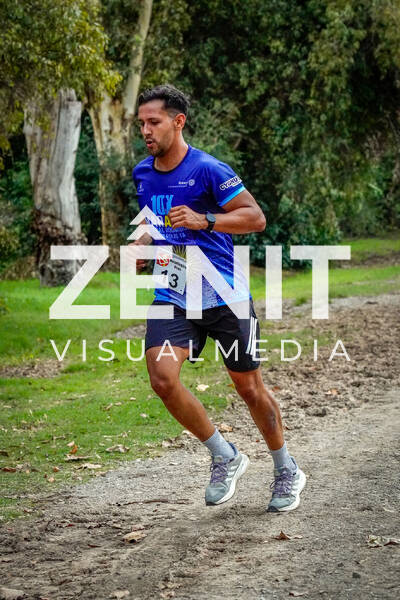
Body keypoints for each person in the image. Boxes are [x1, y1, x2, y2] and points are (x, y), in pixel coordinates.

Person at [131, 84, 306, 512]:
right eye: (141, 124)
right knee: (162, 379)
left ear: (178, 122)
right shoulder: (143, 173)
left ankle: (286, 468)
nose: (146, 131)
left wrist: (205, 219)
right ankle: (224, 455)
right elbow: (156, 222)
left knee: (249, 388)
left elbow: (256, 218)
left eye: (154, 122)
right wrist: (143, 244)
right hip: (174, 293)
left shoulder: (209, 169)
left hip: (225, 294)